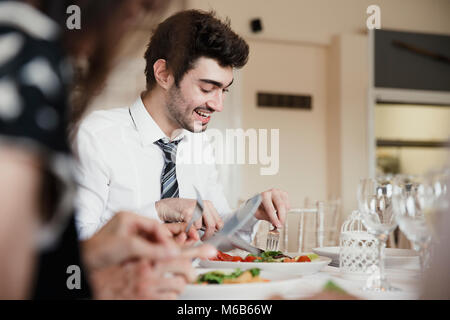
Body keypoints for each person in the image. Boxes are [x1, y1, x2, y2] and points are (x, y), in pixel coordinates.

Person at [0, 0, 215, 300]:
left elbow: (39, 259)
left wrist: (95, 272)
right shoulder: (24, 53)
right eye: (140, 7)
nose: (130, 21)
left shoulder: (201, 144)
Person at [74, 9, 291, 244]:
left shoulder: (199, 142)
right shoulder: (95, 136)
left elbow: (217, 232)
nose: (218, 105)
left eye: (224, 90)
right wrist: (160, 210)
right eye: (207, 88)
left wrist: (250, 213)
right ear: (164, 74)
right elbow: (78, 244)